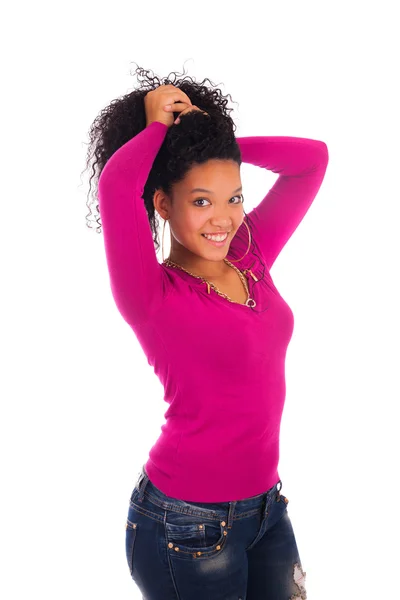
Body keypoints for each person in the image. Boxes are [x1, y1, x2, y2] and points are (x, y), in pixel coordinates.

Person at [84, 64, 329, 599]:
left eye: (234, 196)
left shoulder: (249, 254)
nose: (223, 218)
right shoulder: (152, 295)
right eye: (201, 201)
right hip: (184, 525)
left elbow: (312, 160)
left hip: (267, 511)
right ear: (163, 204)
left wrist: (214, 141)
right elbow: (116, 184)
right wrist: (157, 131)